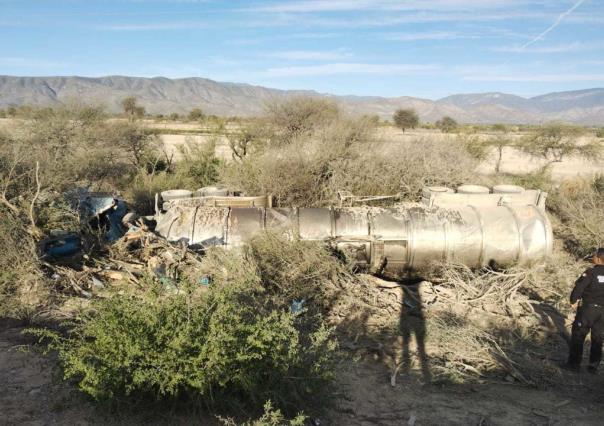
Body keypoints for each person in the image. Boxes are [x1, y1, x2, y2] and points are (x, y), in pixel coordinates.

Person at [567, 248, 604, 373]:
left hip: (588, 310)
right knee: (598, 338)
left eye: (594, 255)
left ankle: (574, 364)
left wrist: (573, 300)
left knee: (578, 335)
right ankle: (593, 366)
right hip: (602, 313)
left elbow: (579, 287)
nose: (592, 257)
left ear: (598, 258)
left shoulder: (591, 272)